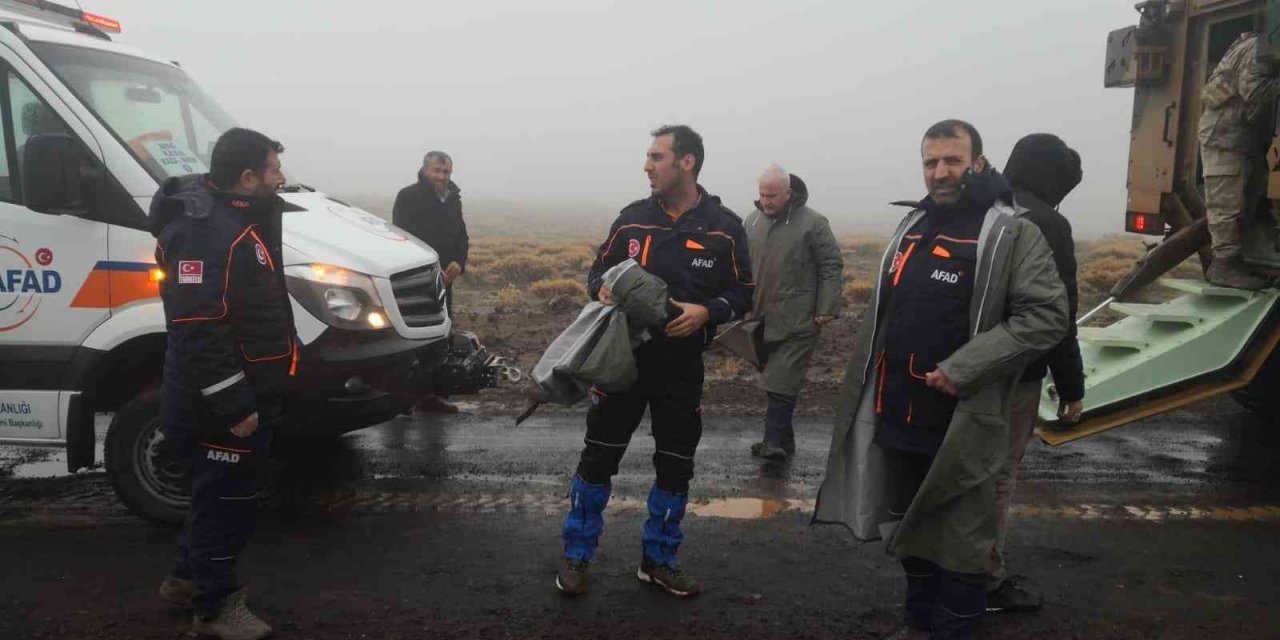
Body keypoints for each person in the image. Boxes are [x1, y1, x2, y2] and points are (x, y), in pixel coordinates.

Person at [812, 120, 1068, 639]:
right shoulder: (915, 227)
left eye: (952, 160)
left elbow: (1045, 316)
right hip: (899, 412)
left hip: (962, 422)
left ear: (977, 163)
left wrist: (963, 368)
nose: (940, 172)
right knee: (913, 532)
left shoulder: (1010, 231)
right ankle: (918, 626)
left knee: (962, 546)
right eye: (931, 162)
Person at [555, 125, 753, 598]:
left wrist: (709, 311)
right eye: (648, 157)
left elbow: (743, 294)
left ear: (687, 162)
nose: (647, 165)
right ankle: (577, 555)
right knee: (598, 457)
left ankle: (659, 560)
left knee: (676, 465)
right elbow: (597, 271)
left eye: (656, 157)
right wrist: (600, 287)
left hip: (681, 370)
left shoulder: (725, 227)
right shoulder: (631, 219)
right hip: (620, 363)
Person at [152, 127, 294, 640]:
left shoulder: (237, 219)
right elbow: (197, 327)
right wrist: (235, 403)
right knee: (228, 505)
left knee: (216, 497)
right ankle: (215, 610)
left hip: (244, 392)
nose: (282, 179)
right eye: (274, 170)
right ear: (248, 176)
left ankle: (186, 579)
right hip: (218, 405)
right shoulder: (206, 232)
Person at [984, 133, 1087, 613]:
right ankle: (983, 580)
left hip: (958, 367)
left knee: (956, 470)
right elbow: (1058, 314)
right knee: (997, 477)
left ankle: (938, 567)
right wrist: (1071, 388)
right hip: (1016, 374)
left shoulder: (982, 208)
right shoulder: (1048, 223)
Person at [744, 164, 843, 461]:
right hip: (760, 318)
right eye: (762, 194)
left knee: (782, 380)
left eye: (772, 195)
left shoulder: (813, 223)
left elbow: (831, 265)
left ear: (789, 193)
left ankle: (772, 442)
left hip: (800, 318)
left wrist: (826, 308)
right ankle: (784, 441)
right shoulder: (751, 222)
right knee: (775, 378)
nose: (766, 201)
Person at [1198, 32, 1277, 290]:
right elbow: (1253, 92)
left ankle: (1239, 260)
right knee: (1227, 199)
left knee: (1250, 195)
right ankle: (1224, 264)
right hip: (1224, 135)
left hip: (1242, 135)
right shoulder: (1256, 49)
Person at [393, 150, 470, 413]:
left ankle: (432, 396)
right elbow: (402, 237)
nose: (441, 176)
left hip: (445, 280)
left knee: (441, 335)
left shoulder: (453, 200)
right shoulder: (408, 197)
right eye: (437, 171)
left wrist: (459, 262)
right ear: (425, 169)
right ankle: (401, 398)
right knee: (412, 336)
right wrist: (426, 269)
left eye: (446, 172)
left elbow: (461, 234)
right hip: (415, 279)